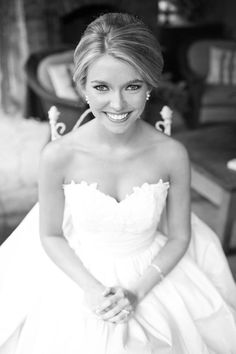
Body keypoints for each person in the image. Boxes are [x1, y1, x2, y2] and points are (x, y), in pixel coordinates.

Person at [0, 12, 236, 354]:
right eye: (101, 87)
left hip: (151, 273)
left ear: (150, 86)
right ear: (82, 87)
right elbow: (50, 234)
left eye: (133, 86)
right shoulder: (57, 155)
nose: (118, 104)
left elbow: (181, 236)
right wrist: (92, 289)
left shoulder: (171, 154)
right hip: (78, 273)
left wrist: (137, 292)